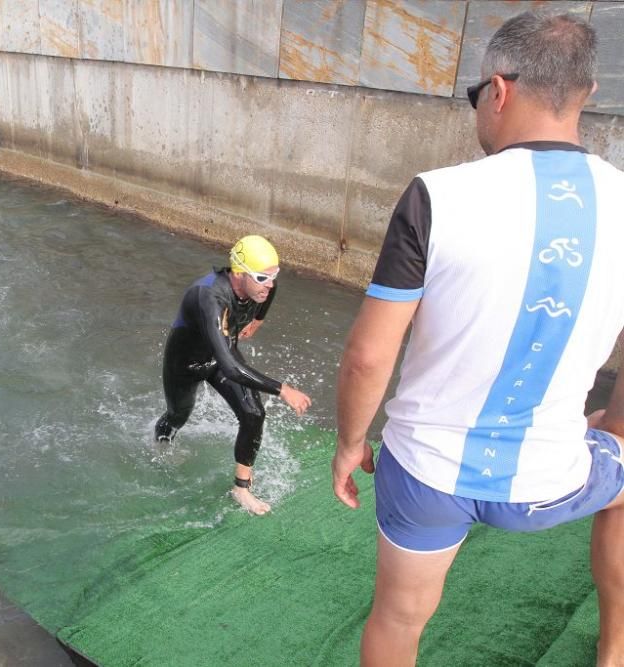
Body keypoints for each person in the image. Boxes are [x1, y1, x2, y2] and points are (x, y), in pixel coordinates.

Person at [333, 12, 624, 665]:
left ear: (499, 89)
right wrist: (614, 427)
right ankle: (615, 649)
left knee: (398, 619)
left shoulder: (436, 196)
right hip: (553, 479)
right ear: (587, 94)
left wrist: (351, 442)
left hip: (426, 473)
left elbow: (368, 356)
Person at [155, 235, 311, 515]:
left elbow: (269, 291)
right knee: (178, 415)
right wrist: (282, 389)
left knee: (254, 413)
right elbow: (230, 367)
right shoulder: (210, 296)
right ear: (239, 273)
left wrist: (258, 320)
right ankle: (162, 445)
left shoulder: (261, 287)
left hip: (221, 355)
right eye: (263, 277)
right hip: (185, 364)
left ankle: (241, 489)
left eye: (274, 276)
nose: (270, 284)